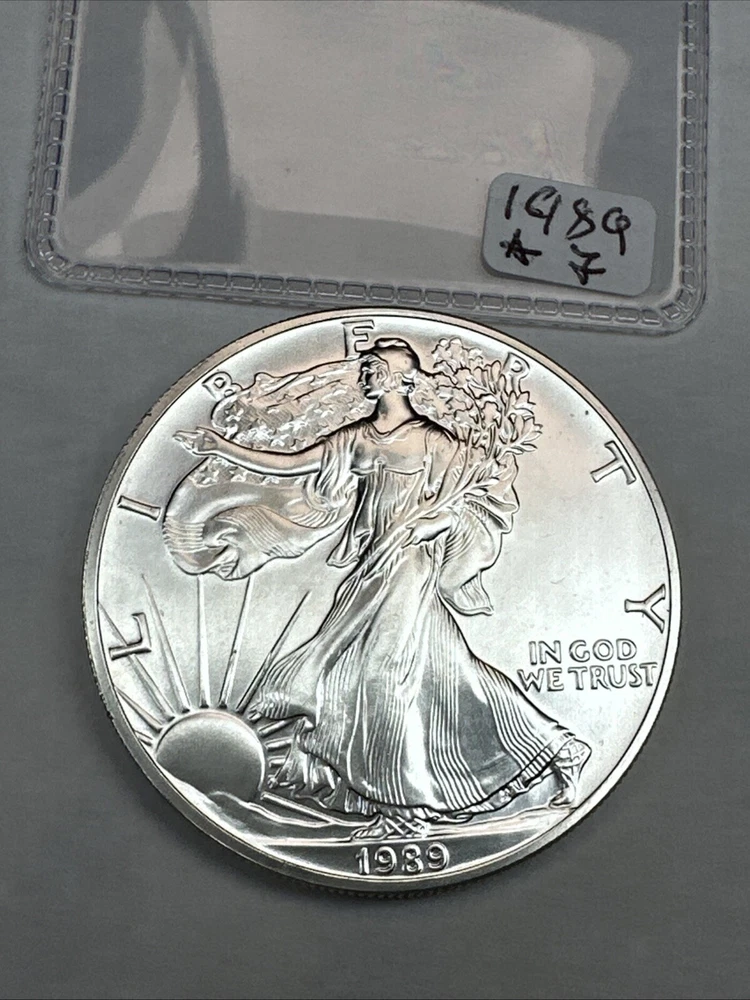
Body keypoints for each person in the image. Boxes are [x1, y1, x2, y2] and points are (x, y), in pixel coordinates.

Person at [176, 338, 590, 837]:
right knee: (449, 674)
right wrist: (220, 447)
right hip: (373, 565)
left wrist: (434, 523)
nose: (364, 375)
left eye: (373, 368)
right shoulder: (357, 438)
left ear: (399, 378)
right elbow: (291, 464)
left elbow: (475, 501)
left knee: (380, 674)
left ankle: (403, 811)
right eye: (365, 368)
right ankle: (558, 749)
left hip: (411, 564)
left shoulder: (435, 442)